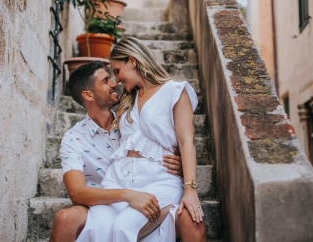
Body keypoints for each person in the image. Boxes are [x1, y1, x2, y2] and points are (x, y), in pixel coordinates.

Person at [50, 61, 206, 241]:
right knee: (64, 218)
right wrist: (127, 195)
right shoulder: (73, 139)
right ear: (88, 95)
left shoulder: (130, 125)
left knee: (192, 220)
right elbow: (77, 194)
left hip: (150, 193)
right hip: (102, 204)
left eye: (113, 76)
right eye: (106, 80)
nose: (114, 83)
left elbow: (171, 145)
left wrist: (177, 167)